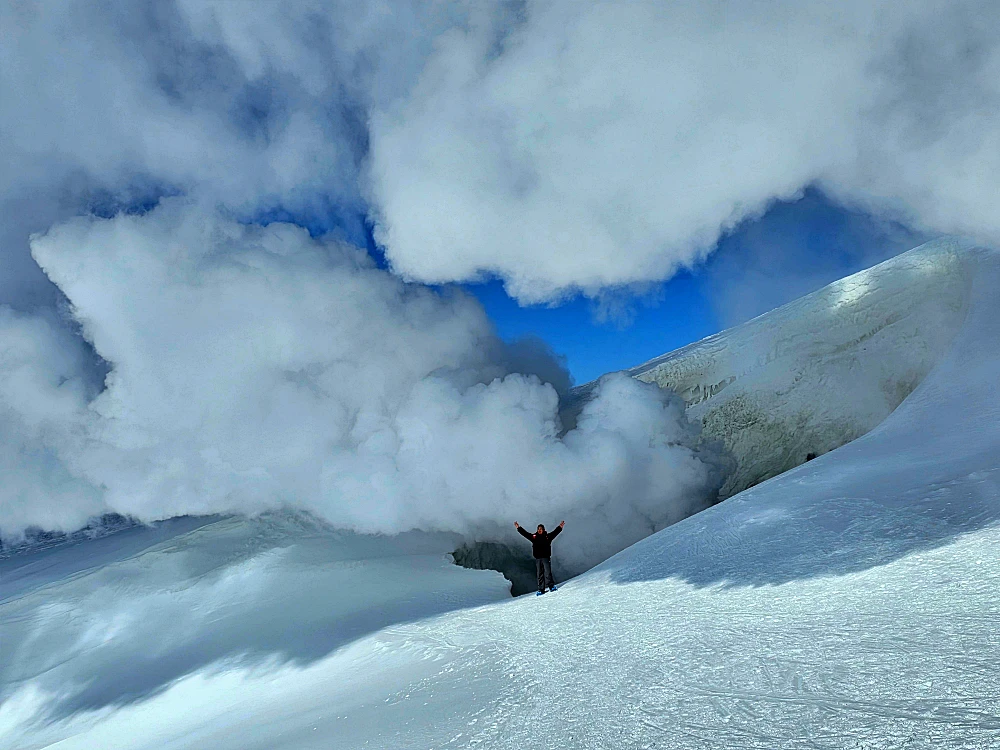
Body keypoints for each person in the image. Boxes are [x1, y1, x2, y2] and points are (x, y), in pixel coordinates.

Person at [514, 520, 565, 595]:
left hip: (546, 558)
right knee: (539, 574)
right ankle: (541, 589)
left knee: (548, 572)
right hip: (538, 559)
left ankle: (551, 586)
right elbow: (525, 534)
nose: (539, 530)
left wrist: (560, 527)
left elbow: (555, 533)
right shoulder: (534, 537)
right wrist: (518, 528)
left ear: (543, 530)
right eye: (538, 529)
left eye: (541, 529)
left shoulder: (547, 537)